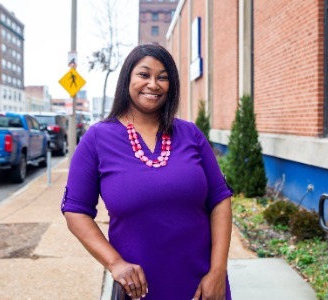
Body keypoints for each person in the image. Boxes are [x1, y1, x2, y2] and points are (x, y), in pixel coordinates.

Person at [61, 44, 233, 300]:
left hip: (201, 286)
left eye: (162, 77)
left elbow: (220, 199)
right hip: (139, 290)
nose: (153, 84)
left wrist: (218, 272)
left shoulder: (190, 134)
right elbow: (75, 210)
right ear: (127, 79)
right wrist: (114, 263)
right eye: (144, 75)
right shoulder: (97, 139)